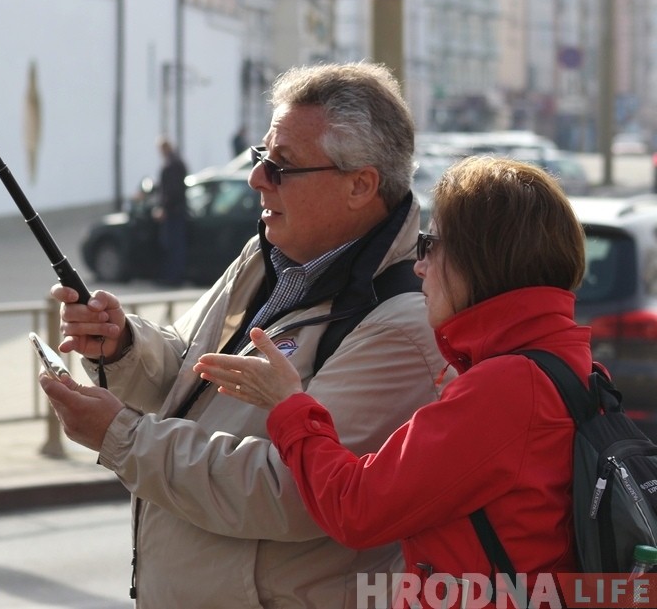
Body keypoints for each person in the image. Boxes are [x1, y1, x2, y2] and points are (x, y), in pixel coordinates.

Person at [38, 62, 448, 607]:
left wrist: (121, 436)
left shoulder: (403, 324)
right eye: (261, 158)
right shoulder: (267, 255)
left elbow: (291, 492)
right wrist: (123, 345)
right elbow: (189, 374)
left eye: (282, 167)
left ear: (360, 185)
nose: (257, 179)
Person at [196, 156, 584, 607]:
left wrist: (290, 406)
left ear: (481, 259)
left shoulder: (508, 386)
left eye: (431, 246)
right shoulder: (563, 363)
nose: (420, 267)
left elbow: (358, 509)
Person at [154, 136, 188, 285]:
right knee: (173, 245)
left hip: (174, 212)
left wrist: (164, 209)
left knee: (173, 245)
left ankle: (173, 278)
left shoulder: (172, 164)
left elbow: (172, 191)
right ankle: (173, 276)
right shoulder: (175, 162)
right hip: (176, 210)